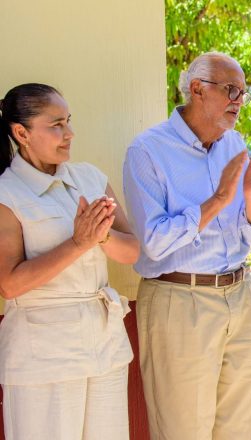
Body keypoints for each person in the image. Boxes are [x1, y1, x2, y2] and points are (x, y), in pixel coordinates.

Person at [122, 52, 251, 439]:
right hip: (179, 299)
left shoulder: (234, 144)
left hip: (239, 295)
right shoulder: (148, 151)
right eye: (231, 90)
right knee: (183, 430)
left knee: (239, 429)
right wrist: (219, 200)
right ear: (196, 90)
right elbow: (154, 242)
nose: (239, 100)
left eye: (243, 93)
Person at [0, 83, 139, 439]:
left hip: (105, 346)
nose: (69, 134)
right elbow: (9, 283)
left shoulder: (89, 178)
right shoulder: (6, 193)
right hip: (42, 357)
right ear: (21, 133)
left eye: (69, 122)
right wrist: (79, 242)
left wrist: (102, 236)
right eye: (56, 125)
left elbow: (134, 250)